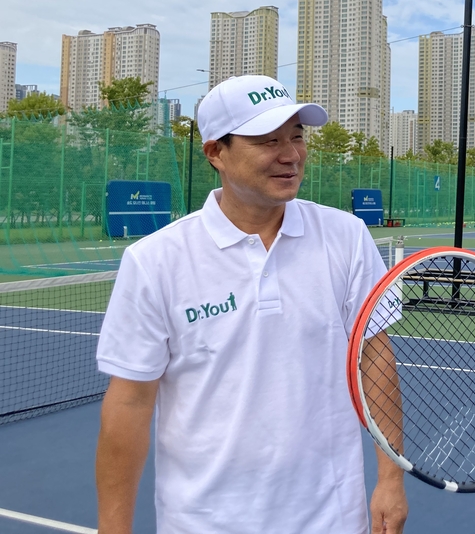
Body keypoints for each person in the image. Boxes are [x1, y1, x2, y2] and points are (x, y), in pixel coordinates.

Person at [95, 76, 407, 534]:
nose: (290, 154)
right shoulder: (154, 261)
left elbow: (374, 355)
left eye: (297, 136)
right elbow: (129, 404)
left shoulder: (347, 236)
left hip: (334, 517)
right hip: (202, 522)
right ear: (215, 153)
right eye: (267, 140)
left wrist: (391, 477)